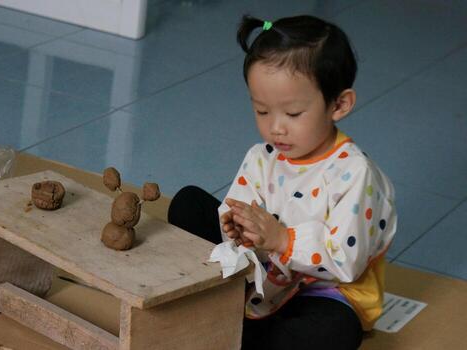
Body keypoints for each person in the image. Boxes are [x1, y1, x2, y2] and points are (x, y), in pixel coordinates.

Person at [168, 14, 396, 350]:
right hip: (260, 275)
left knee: (335, 331)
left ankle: (238, 328)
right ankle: (232, 317)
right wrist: (235, 227)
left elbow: (345, 264)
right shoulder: (263, 156)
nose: (276, 128)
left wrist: (283, 240)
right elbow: (237, 209)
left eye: (292, 114)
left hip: (323, 292)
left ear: (339, 104)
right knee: (187, 203)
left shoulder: (356, 174)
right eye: (262, 111)